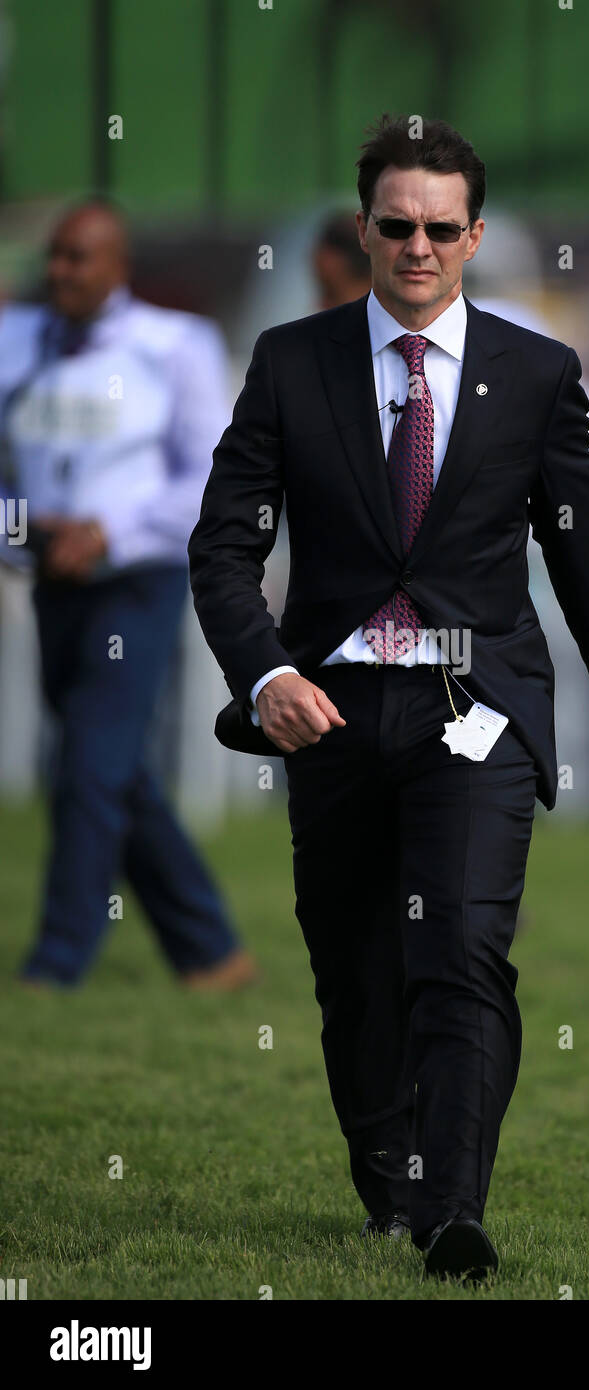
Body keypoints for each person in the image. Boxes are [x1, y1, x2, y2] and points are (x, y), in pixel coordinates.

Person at [188, 115, 589, 1281]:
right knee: (357, 969)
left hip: (481, 705)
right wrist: (268, 673)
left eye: (439, 229)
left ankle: (455, 1209)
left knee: (459, 950)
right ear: (362, 229)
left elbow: (583, 552)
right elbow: (221, 548)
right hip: (334, 710)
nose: (416, 246)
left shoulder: (539, 373)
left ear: (475, 236)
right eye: (395, 225)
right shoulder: (290, 364)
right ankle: (389, 1179)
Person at [0, 199, 255, 991]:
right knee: (110, 767)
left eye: (80, 257)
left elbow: (208, 474)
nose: (61, 271)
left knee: (86, 764)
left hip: (136, 580)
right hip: (52, 577)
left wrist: (107, 531)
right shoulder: (13, 341)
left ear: (119, 267)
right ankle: (211, 950)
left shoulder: (173, 344)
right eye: (56, 256)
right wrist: (25, 533)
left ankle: (57, 961)